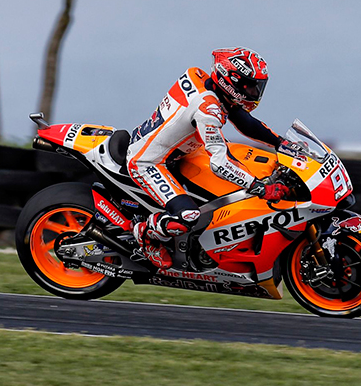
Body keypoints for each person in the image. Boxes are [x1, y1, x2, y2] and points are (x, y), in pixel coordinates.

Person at [126, 47, 294, 269]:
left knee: (241, 160)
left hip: (177, 151)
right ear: (230, 80)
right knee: (189, 215)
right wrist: (260, 188)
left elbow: (245, 121)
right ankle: (145, 233)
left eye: (257, 86)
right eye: (249, 85)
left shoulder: (203, 80)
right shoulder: (208, 110)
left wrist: (282, 144)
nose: (254, 92)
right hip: (149, 162)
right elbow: (219, 163)